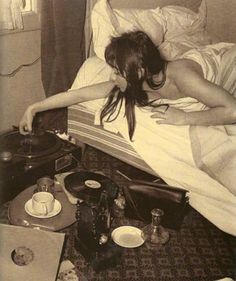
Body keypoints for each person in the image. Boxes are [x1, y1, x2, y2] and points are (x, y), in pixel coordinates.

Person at [19, 31, 236, 140]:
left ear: (138, 72)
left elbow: (232, 110)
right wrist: (34, 107)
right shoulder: (136, 81)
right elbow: (78, 95)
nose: (112, 77)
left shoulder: (183, 78)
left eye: (116, 72)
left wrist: (185, 118)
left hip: (228, 62)